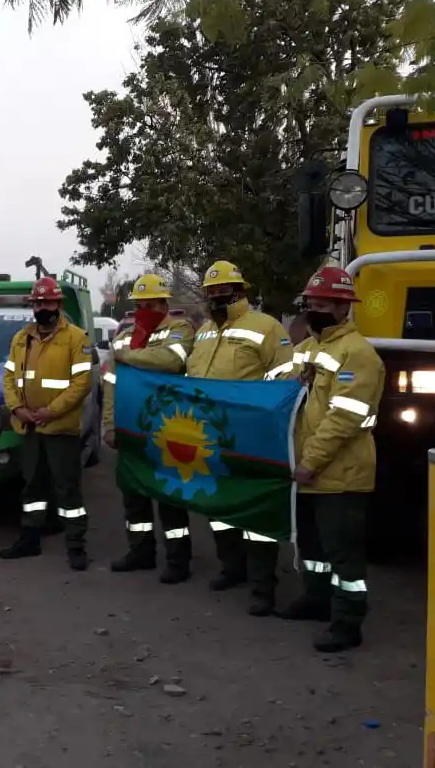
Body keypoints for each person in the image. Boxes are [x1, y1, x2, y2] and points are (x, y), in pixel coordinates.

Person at [279, 266, 384, 652]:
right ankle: (317, 599)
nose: (315, 310)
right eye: (311, 304)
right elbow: (280, 393)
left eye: (323, 305)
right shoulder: (306, 350)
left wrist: (310, 461)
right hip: (306, 471)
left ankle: (348, 621)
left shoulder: (359, 355)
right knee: (312, 548)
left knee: (343, 555)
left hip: (340, 474)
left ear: (344, 308)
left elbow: (344, 420)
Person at [186, 260, 294, 616]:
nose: (217, 297)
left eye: (223, 291)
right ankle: (232, 568)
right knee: (218, 508)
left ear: (239, 291)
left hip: (251, 438)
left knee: (256, 516)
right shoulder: (204, 332)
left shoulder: (266, 327)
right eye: (211, 292)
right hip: (209, 437)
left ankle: (263, 586)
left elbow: (285, 382)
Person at [103, 273, 196, 583]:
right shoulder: (124, 336)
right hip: (131, 426)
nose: (144, 310)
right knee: (134, 497)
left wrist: (126, 356)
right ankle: (140, 552)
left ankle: (178, 561)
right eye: (139, 305)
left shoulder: (180, 329)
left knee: (170, 499)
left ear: (164, 304)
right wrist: (109, 425)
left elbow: (170, 360)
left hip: (168, 428)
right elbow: (111, 383)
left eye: (151, 304)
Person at [0, 276, 94, 571]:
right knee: (32, 487)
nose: (42, 308)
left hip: (60, 429)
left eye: (48, 303)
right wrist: (17, 408)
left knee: (67, 490)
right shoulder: (21, 338)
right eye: (37, 303)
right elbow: (8, 378)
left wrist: (50, 412)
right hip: (29, 428)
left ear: (59, 304)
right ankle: (30, 539)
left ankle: (76, 546)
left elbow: (82, 384)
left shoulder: (76, 338)